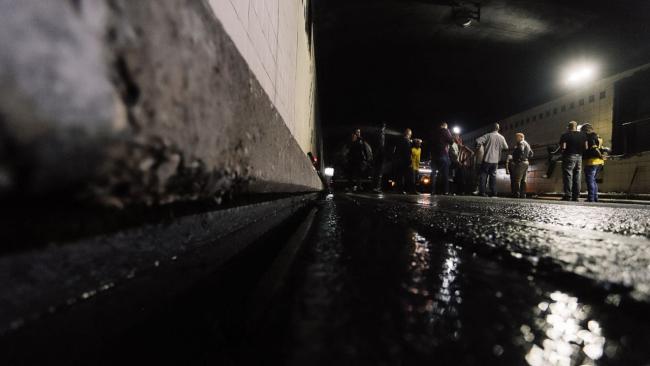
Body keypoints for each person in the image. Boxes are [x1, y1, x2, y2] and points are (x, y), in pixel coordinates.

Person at [475, 123, 508, 197]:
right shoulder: (501, 137)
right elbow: (506, 147)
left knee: (483, 175)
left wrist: (479, 146)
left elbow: (478, 141)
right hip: (496, 160)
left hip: (487, 159)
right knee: (493, 176)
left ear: (491, 128)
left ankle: (482, 192)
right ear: (498, 129)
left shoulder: (488, 135)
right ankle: (493, 192)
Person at [559, 121, 588, 201]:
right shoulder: (583, 135)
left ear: (568, 127)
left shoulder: (565, 135)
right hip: (579, 157)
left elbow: (563, 147)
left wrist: (562, 152)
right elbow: (586, 147)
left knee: (568, 175)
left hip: (569, 156)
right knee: (577, 176)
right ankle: (576, 196)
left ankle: (568, 195)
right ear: (576, 127)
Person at [581, 123, 605, 202]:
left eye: (582, 131)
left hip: (592, 161)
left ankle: (591, 198)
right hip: (599, 162)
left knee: (590, 180)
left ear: (586, 130)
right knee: (593, 180)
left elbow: (594, 148)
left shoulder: (590, 136)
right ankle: (595, 197)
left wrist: (600, 155)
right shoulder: (598, 137)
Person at [507, 133, 533, 198]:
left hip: (521, 163)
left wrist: (518, 159)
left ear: (521, 137)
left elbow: (521, 150)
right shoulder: (527, 144)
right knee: (524, 180)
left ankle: (516, 194)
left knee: (517, 179)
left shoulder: (521, 143)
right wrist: (526, 157)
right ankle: (523, 194)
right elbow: (531, 153)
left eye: (517, 137)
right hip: (526, 163)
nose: (516, 139)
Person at [430, 122, 454, 195]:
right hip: (443, 154)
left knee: (433, 174)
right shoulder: (445, 131)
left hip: (434, 155)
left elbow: (430, 143)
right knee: (445, 173)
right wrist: (448, 132)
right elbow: (451, 141)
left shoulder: (434, 132)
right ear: (445, 126)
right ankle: (445, 191)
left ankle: (433, 190)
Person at [393, 128, 413, 194]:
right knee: (404, 176)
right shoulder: (407, 141)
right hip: (404, 161)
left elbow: (396, 151)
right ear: (409, 134)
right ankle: (402, 190)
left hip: (398, 160)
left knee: (399, 176)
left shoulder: (399, 141)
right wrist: (410, 161)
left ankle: (397, 189)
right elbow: (408, 152)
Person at [372, 123, 387, 193]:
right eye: (383, 127)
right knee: (378, 173)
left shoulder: (379, 135)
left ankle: (376, 187)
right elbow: (380, 147)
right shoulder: (380, 135)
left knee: (378, 173)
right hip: (379, 157)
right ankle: (376, 188)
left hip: (378, 156)